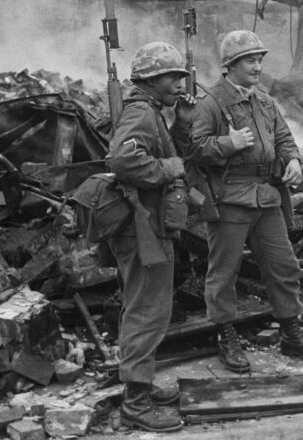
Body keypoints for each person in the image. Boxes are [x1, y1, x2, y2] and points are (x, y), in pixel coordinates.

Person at [189, 29, 303, 373]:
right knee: (224, 273)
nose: (257, 66)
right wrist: (228, 143)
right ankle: (226, 336)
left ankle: (291, 333)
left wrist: (293, 159)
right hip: (231, 198)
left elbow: (284, 138)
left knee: (284, 267)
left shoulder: (263, 100)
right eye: (250, 60)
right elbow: (194, 150)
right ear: (230, 65)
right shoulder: (212, 103)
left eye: (259, 60)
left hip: (267, 198)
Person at [106, 41, 195, 433]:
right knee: (149, 310)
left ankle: (139, 384)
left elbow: (159, 149)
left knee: (144, 306)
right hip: (144, 226)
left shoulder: (152, 111)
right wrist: (169, 168)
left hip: (150, 223)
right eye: (172, 76)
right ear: (150, 79)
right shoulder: (141, 111)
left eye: (179, 76)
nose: (179, 82)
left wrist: (184, 123)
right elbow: (123, 160)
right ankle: (135, 404)